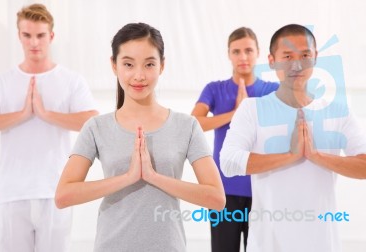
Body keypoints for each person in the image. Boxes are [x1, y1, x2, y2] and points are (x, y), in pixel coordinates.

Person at [55, 22, 226, 252]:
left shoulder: (187, 126)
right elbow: (63, 196)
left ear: (162, 66)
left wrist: (154, 177)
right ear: (114, 65)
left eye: (149, 64)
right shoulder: (96, 127)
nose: (139, 75)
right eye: (128, 64)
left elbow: (216, 199)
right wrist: (128, 177)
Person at [220, 24, 366, 252]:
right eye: (287, 56)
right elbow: (228, 162)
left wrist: (316, 156)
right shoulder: (252, 109)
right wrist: (290, 155)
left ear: (315, 58)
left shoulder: (338, 112)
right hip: (268, 245)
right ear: (271, 60)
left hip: (322, 244)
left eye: (305, 55)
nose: (296, 65)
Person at [0, 4, 98, 252]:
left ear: (51, 36)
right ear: (19, 36)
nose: (34, 42)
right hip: (11, 193)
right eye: (27, 35)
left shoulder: (71, 80)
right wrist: (23, 114)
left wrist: (46, 114)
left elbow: (91, 121)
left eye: (40, 35)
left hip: (55, 191)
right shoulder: (1, 81)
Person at [191, 27, 278, 252]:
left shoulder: (272, 90)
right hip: (223, 189)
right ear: (228, 54)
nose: (243, 57)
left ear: (258, 52)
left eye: (248, 50)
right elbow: (195, 124)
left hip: (261, 188)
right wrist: (237, 112)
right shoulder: (214, 89)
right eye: (236, 51)